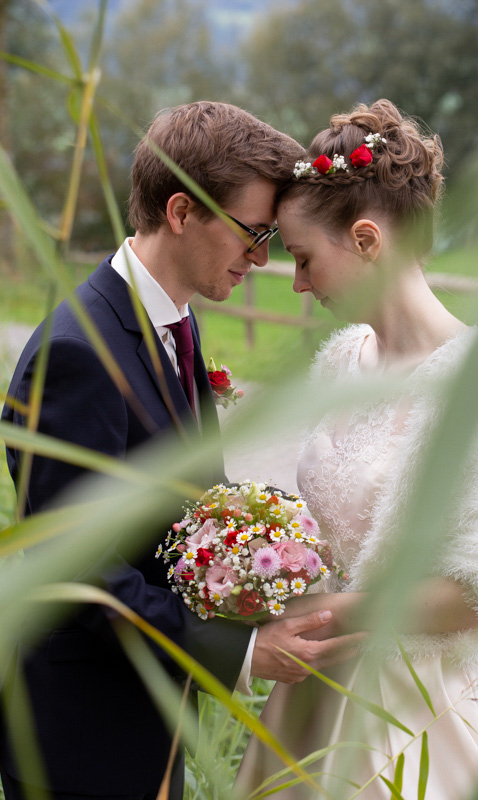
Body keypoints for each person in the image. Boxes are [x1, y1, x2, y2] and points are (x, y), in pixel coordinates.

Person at [0, 101, 362, 800]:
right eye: (252, 234)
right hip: (81, 744)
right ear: (179, 212)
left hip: (146, 722)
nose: (260, 259)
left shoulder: (173, 323)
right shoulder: (79, 353)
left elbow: (183, 519)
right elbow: (74, 576)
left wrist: (264, 581)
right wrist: (246, 651)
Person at [236, 99, 478, 798]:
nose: (299, 284)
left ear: (366, 240)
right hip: (317, 692)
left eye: (305, 259)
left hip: (420, 707)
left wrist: (342, 613)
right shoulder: (344, 361)